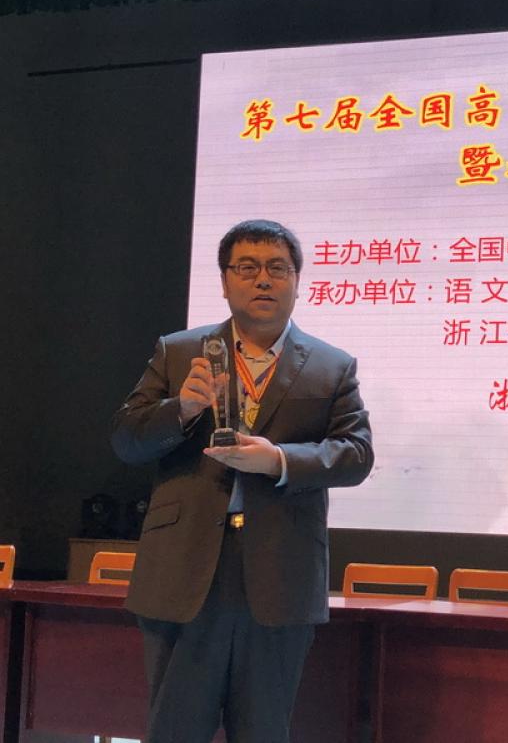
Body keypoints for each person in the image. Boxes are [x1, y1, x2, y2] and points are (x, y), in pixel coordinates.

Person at [111, 219, 373, 742]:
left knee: (263, 731)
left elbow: (356, 455)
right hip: (184, 570)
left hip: (280, 574)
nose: (263, 279)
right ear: (225, 280)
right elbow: (126, 439)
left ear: (297, 280)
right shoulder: (179, 352)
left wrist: (278, 460)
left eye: (278, 268)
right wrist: (182, 409)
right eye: (247, 267)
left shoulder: (331, 366)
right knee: (174, 731)